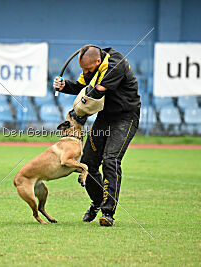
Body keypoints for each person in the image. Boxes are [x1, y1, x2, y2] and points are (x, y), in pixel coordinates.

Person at [53, 44, 141, 226]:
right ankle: (98, 201)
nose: (85, 72)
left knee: (111, 160)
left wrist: (78, 107)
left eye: (87, 69)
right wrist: (64, 86)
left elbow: (95, 91)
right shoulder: (92, 64)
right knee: (88, 163)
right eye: (83, 69)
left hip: (126, 118)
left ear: (98, 61)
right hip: (105, 117)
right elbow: (81, 86)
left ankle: (108, 213)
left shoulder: (115, 65)